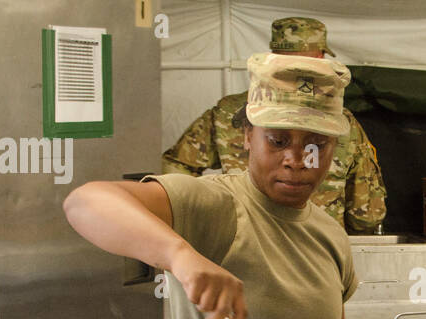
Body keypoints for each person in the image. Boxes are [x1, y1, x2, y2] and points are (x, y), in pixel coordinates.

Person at [64, 52, 361, 319]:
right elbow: (84, 202)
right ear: (248, 136)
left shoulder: (331, 237)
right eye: (278, 141)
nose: (295, 160)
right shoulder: (215, 205)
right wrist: (180, 256)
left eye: (316, 146)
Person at [162, 17, 387, 234]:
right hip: (317, 247)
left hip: (243, 241)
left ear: (273, 56)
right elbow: (367, 214)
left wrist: (205, 215)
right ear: (320, 57)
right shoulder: (341, 122)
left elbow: (176, 165)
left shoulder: (231, 111)